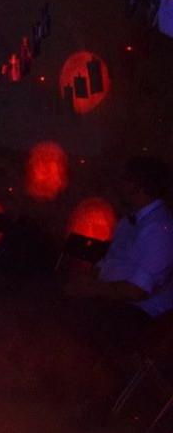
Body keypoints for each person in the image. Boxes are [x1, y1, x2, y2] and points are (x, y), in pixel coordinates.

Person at [65, 156, 173, 410]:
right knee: (56, 298)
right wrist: (85, 282)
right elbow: (108, 266)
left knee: (90, 317)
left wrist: (90, 289)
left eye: (124, 180)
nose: (119, 185)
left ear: (137, 186)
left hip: (142, 315)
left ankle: (96, 401)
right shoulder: (128, 221)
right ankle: (56, 381)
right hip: (112, 299)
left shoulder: (160, 228)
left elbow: (137, 291)